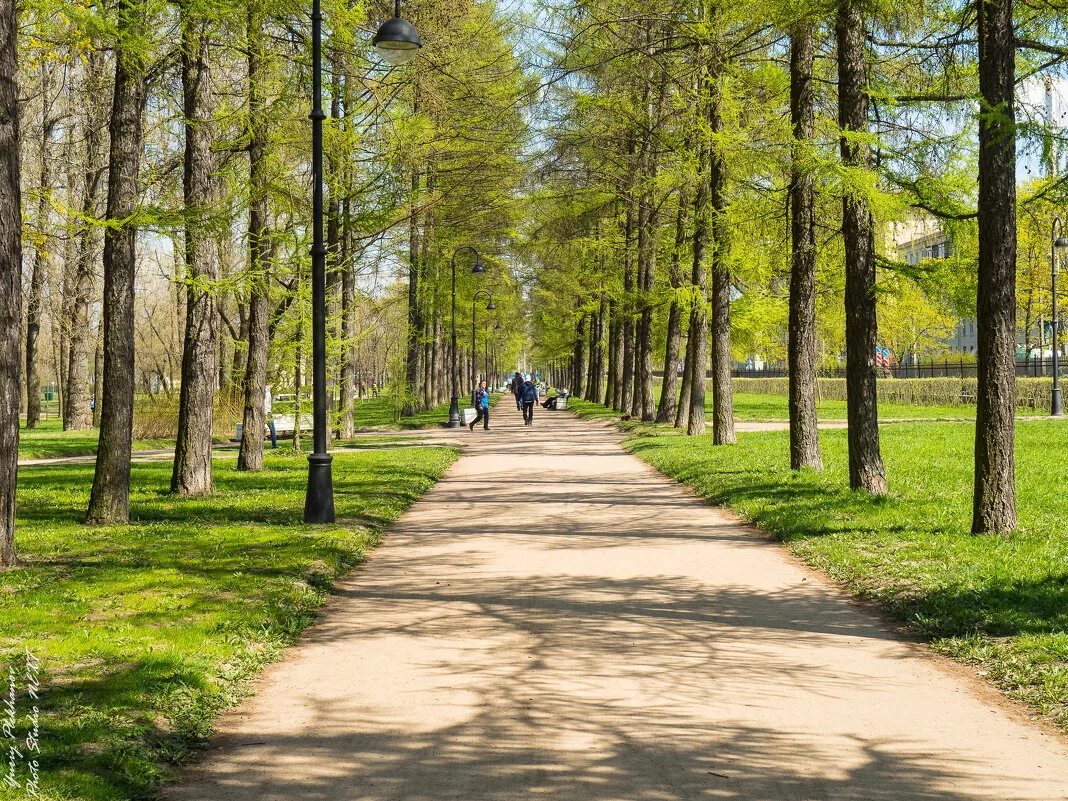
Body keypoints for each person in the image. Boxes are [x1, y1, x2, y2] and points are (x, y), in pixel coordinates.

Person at [264, 384, 278, 448]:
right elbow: (265, 403)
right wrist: (266, 412)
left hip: (267, 412)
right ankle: (274, 444)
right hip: (267, 412)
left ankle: (274, 444)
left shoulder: (267, 391)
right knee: (272, 429)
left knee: (272, 429)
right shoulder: (266, 391)